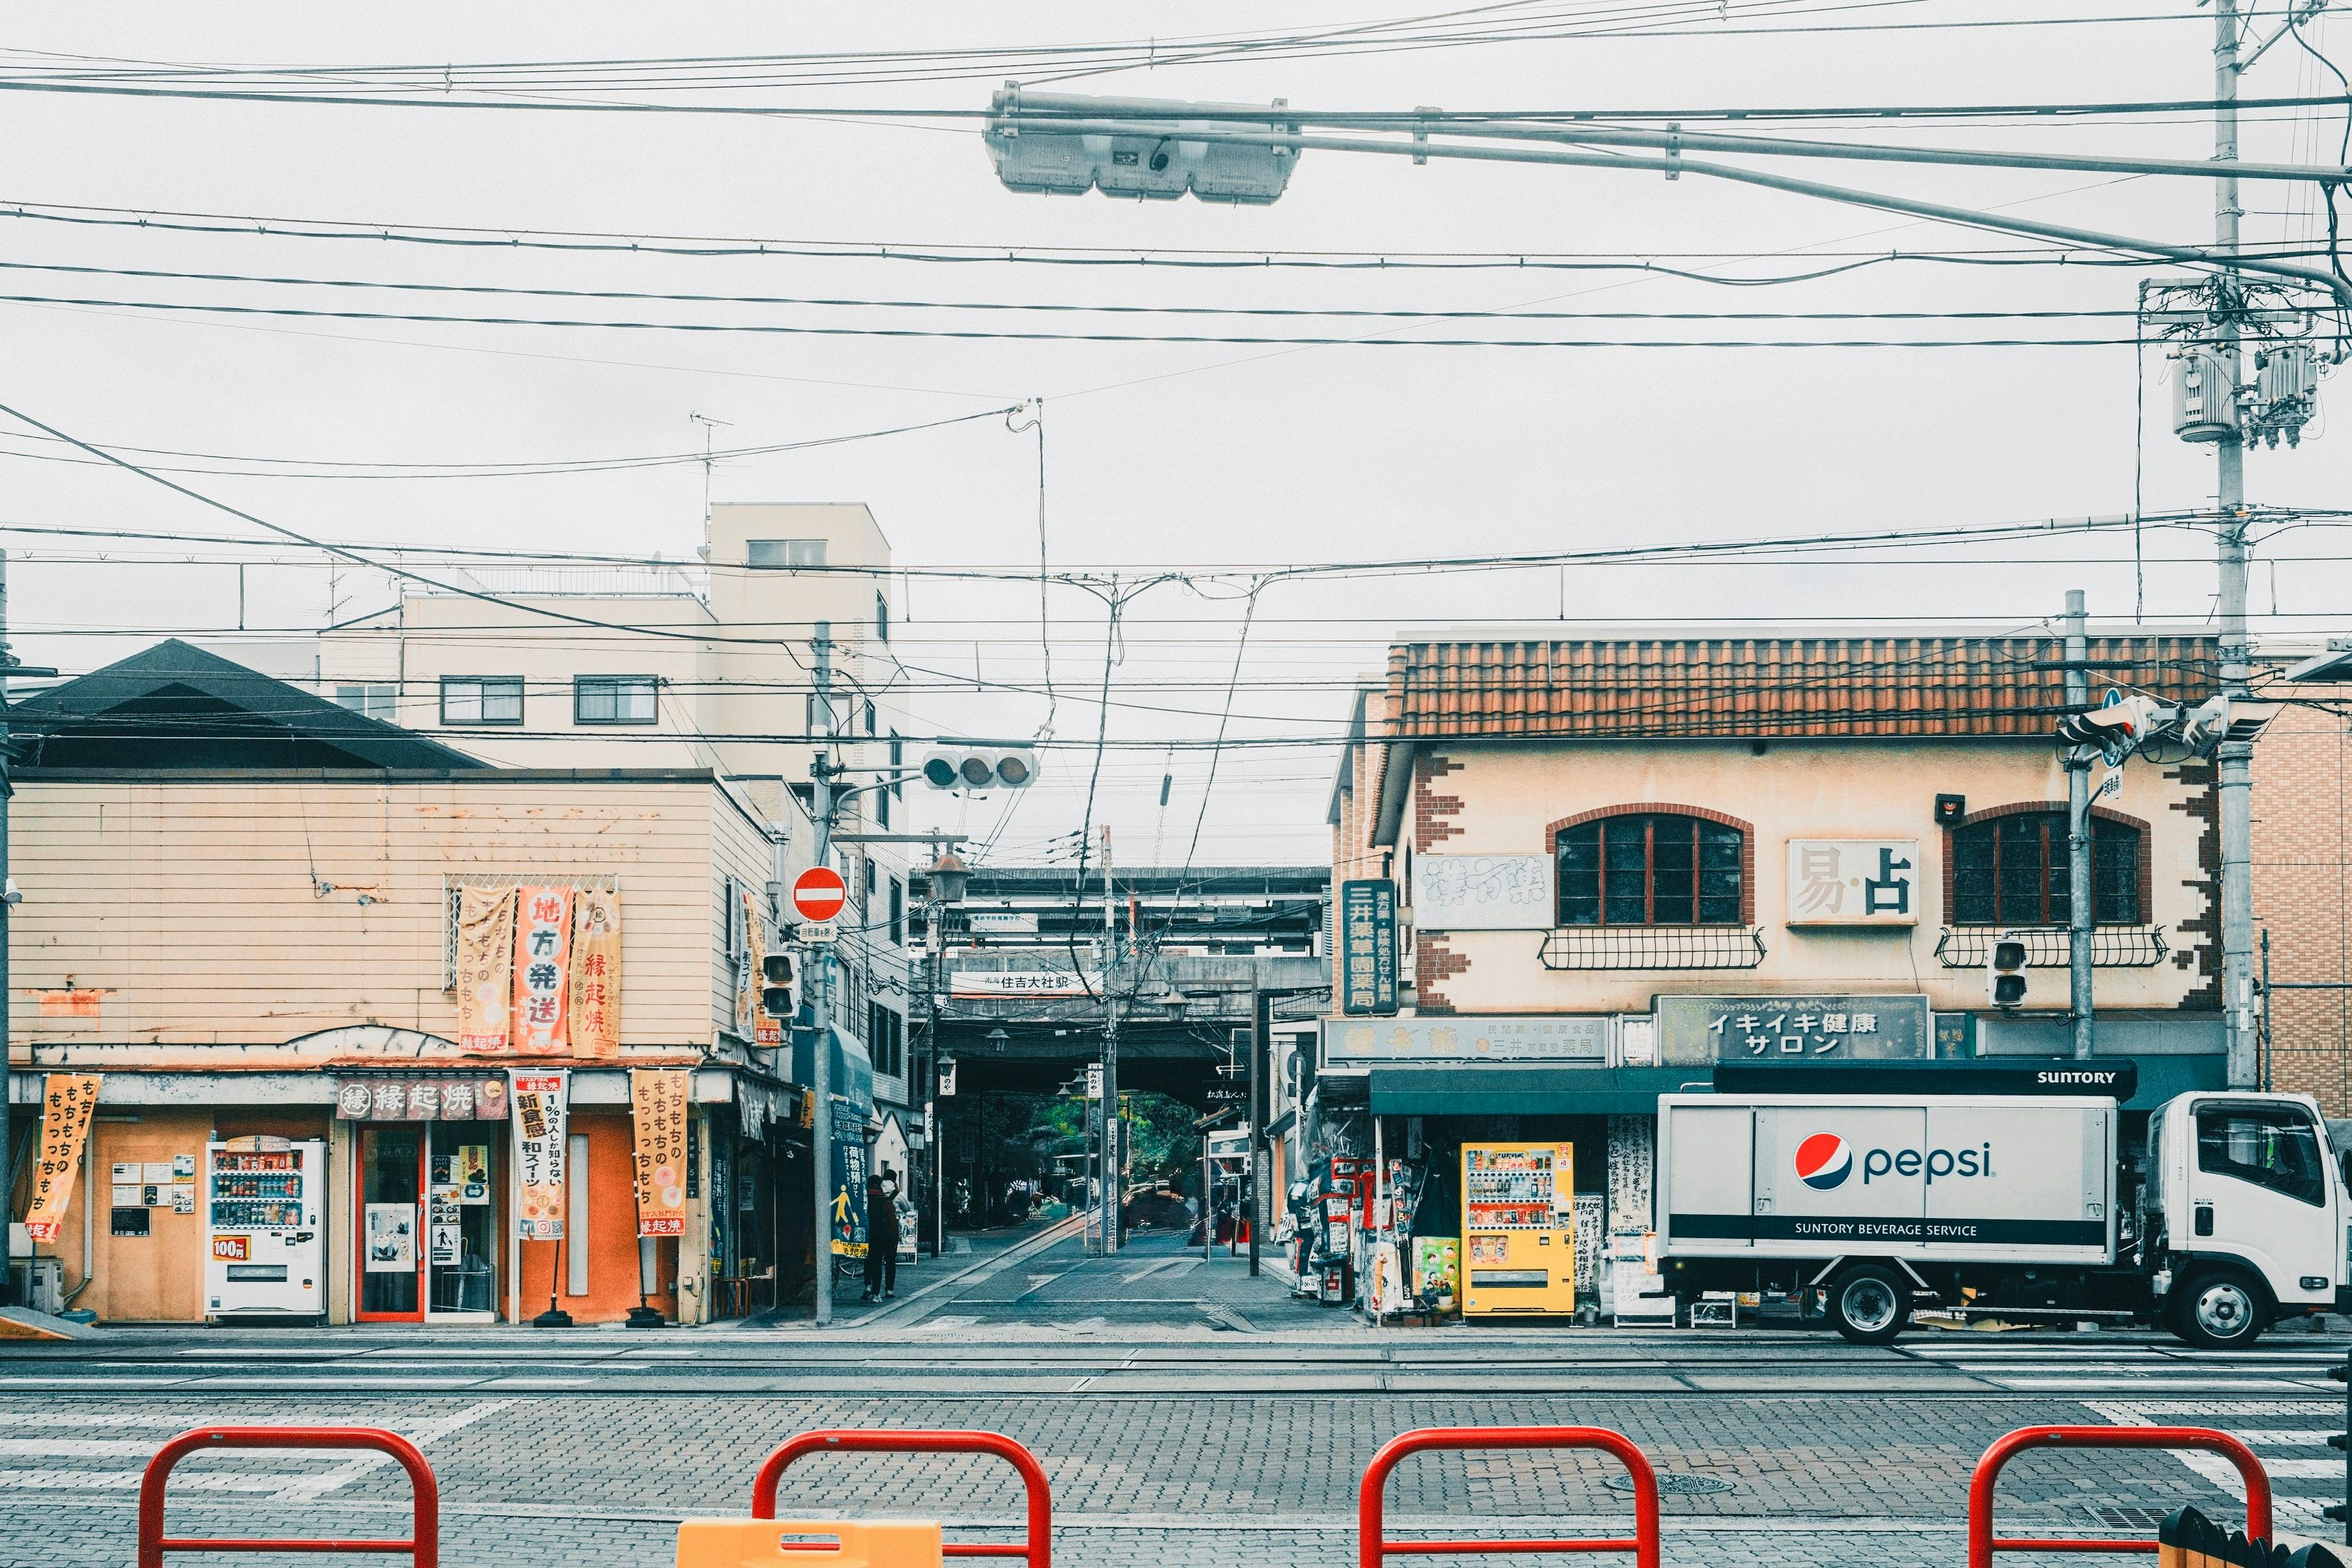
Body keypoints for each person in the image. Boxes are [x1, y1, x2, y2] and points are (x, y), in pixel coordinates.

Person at [860, 1172, 900, 1301]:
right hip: (882, 1235)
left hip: (866, 1235)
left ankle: (868, 1286)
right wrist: (895, 1237)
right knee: (880, 1263)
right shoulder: (884, 1200)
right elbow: (891, 1221)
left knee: (868, 1261)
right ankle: (877, 1294)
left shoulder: (862, 1200)